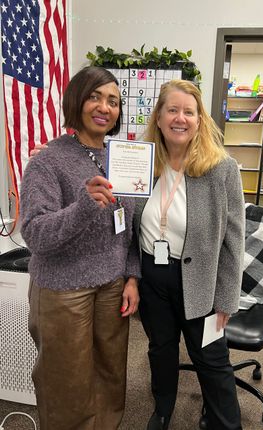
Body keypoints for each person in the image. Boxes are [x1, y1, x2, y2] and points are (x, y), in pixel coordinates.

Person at [20, 66, 140, 430]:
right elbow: (35, 233)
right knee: (65, 381)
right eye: (95, 97)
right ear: (77, 100)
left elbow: (129, 230)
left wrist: (132, 276)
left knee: (110, 372)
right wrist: (85, 205)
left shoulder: (122, 157)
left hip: (112, 287)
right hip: (62, 288)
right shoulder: (47, 160)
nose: (105, 107)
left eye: (114, 101)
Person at [133, 79, 245, 430]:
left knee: (212, 359)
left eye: (189, 111)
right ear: (159, 116)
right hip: (154, 279)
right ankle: (163, 408)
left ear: (199, 119)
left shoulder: (221, 168)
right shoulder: (143, 162)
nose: (180, 118)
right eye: (172, 110)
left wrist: (226, 299)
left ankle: (225, 423)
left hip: (202, 285)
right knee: (161, 350)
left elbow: (233, 239)